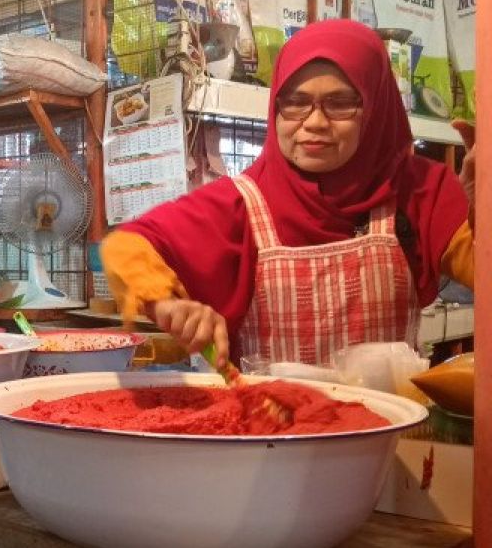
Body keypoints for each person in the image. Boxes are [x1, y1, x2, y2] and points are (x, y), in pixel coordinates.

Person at [100, 19, 476, 368]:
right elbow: (124, 247)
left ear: (376, 107)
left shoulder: (420, 191)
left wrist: (483, 212)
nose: (314, 123)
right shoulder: (239, 204)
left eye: (340, 103)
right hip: (269, 432)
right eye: (295, 102)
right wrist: (167, 303)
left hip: (383, 434)